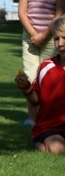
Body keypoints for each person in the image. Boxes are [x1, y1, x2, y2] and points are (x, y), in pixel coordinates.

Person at [18, 0, 65, 125]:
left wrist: (44, 36)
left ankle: (48, 115)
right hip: (30, 38)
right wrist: (33, 34)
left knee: (48, 77)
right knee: (31, 77)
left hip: (52, 38)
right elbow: (22, 12)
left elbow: (59, 15)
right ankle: (32, 118)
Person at [15, 15, 65, 153]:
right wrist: (26, 87)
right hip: (51, 126)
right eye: (56, 39)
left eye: (64, 38)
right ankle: (38, 142)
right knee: (58, 148)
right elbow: (36, 100)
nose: (60, 43)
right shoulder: (46, 67)